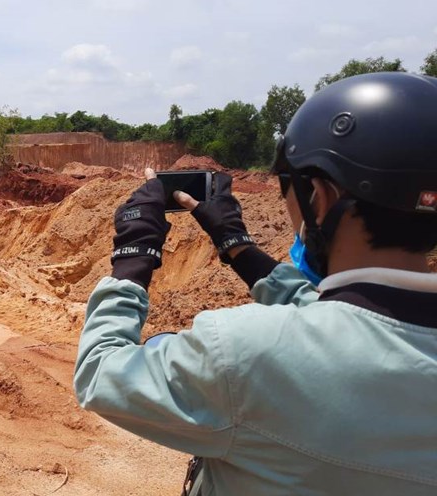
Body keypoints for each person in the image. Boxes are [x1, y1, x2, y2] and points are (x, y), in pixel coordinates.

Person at [74, 71, 437, 495]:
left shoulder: (242, 353)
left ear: (321, 196)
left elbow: (100, 373)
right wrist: (238, 247)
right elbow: (342, 320)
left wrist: (134, 258)